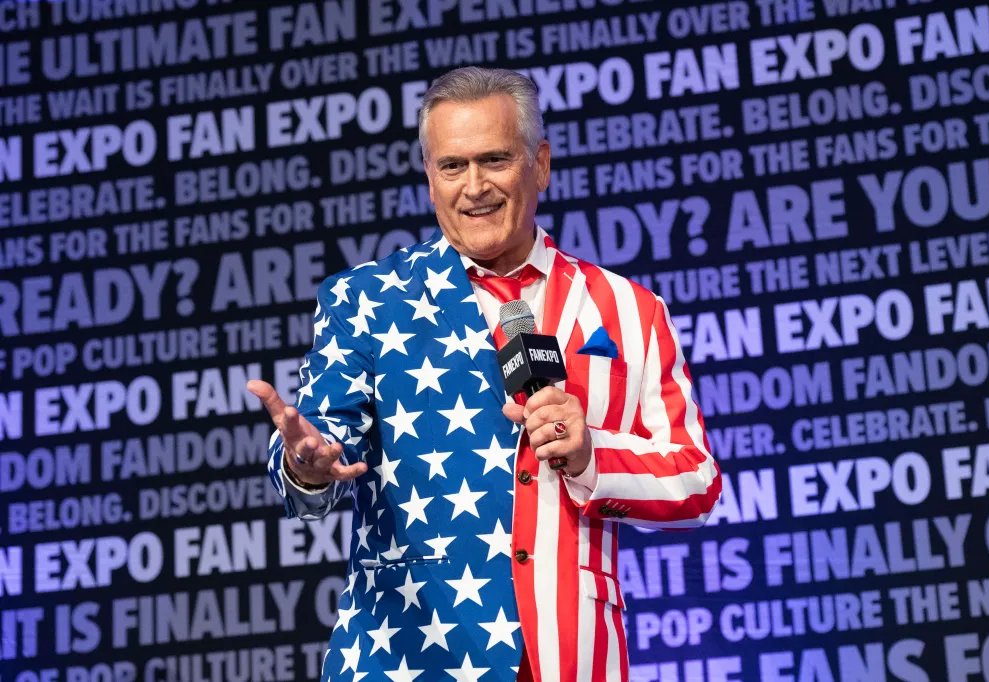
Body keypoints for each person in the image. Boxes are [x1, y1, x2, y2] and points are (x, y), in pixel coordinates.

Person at [247, 66, 721, 682]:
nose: (475, 187)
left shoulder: (630, 310)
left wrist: (590, 457)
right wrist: (306, 467)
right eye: (452, 166)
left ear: (540, 165)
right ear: (429, 178)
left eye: (495, 160)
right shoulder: (367, 299)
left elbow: (695, 479)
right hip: (409, 656)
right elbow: (322, 446)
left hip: (569, 656)